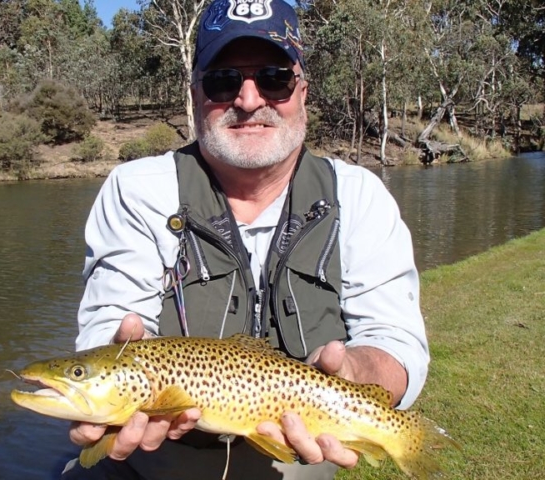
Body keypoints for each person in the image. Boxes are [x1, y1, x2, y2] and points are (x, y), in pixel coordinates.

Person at [62, 0, 429, 478]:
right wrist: (115, 379)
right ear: (195, 94)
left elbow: (395, 340)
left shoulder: (359, 196)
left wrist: (358, 374)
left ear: (303, 92)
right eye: (223, 81)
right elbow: (108, 320)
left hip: (304, 454)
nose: (249, 100)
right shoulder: (137, 188)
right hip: (152, 459)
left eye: (274, 78)